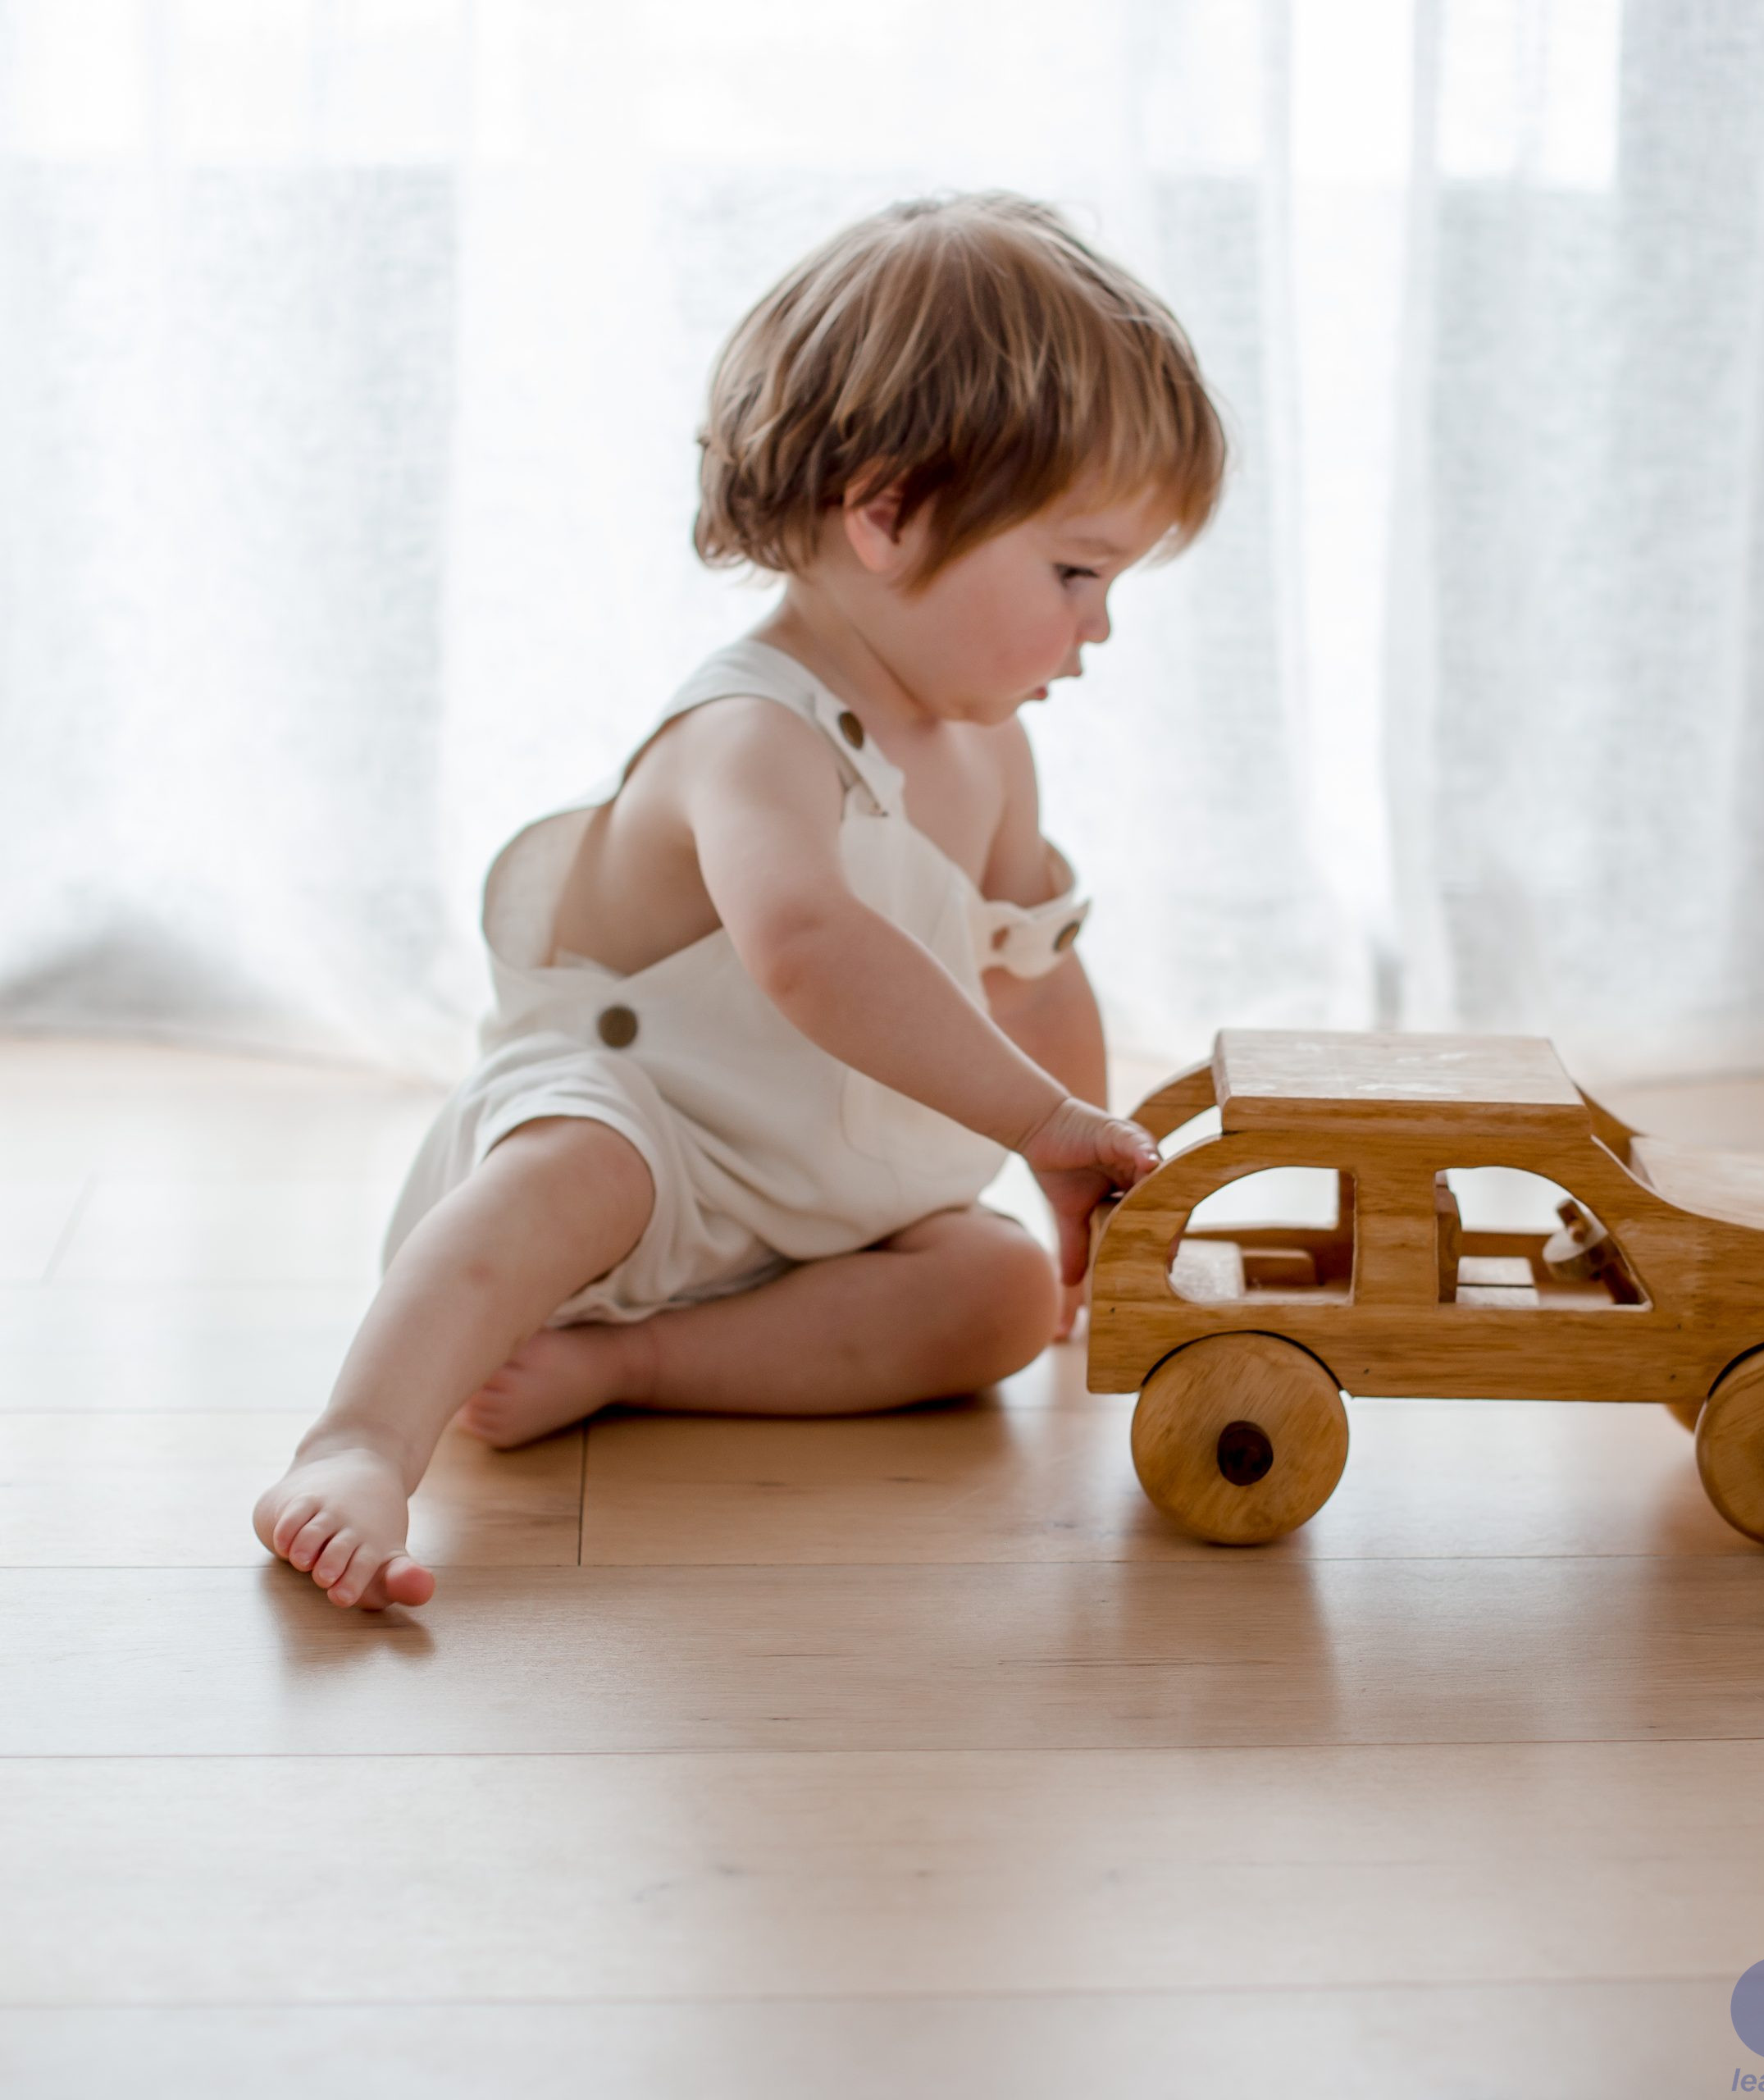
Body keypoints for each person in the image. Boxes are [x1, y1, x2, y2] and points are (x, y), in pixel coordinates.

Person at [253, 192, 1229, 1610]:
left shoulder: (992, 757)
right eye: (1077, 572)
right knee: (569, 1166)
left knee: (1001, 1296)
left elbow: (1027, 975)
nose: (1100, 628)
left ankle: (631, 1367)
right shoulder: (749, 734)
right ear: (889, 514)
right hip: (644, 1151)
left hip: (818, 1204)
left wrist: (1069, 1184)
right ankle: (357, 1441)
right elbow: (809, 952)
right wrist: (1027, 1113)